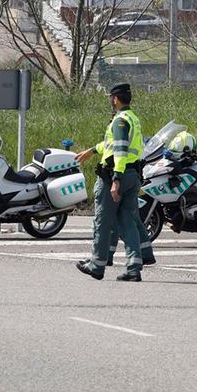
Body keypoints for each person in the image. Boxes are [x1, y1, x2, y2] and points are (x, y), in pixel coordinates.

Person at [74, 83, 145, 282]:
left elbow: (120, 151)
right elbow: (112, 144)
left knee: (103, 221)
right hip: (132, 175)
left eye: (110, 98)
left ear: (115, 99)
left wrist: (115, 179)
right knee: (127, 221)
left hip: (116, 175)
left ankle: (97, 265)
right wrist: (92, 150)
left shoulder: (120, 121)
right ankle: (134, 267)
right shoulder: (133, 118)